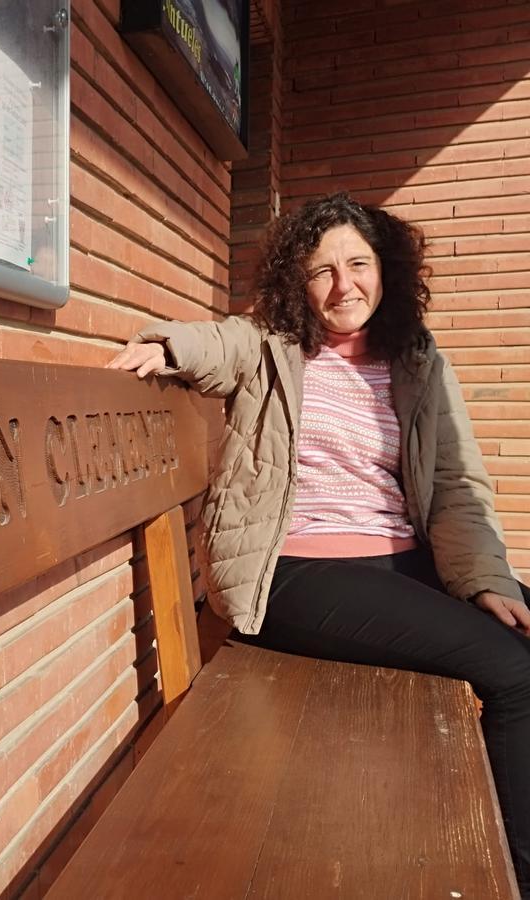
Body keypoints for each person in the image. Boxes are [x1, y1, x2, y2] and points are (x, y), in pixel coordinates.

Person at [106, 192, 530, 895]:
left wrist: (486, 578)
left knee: (517, 629)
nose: (344, 286)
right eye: (321, 270)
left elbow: (455, 485)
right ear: (295, 285)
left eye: (358, 264)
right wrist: (165, 344)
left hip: (399, 562)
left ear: (385, 270)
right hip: (297, 573)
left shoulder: (417, 363)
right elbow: (219, 344)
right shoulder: (272, 347)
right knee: (513, 674)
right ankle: (510, 876)